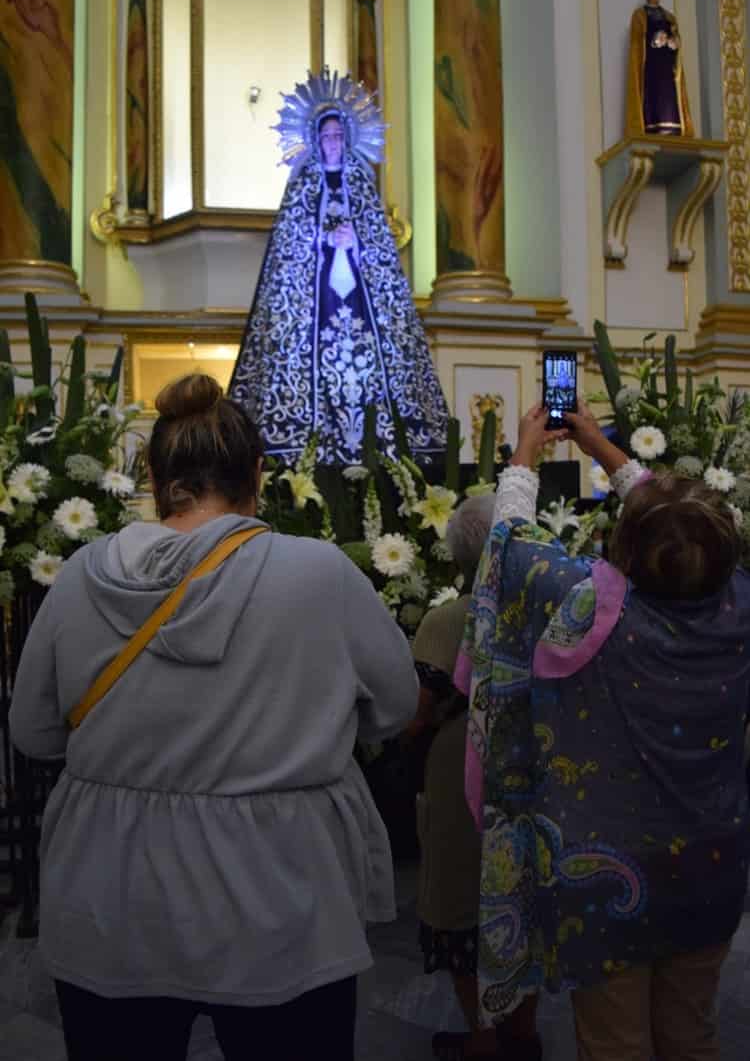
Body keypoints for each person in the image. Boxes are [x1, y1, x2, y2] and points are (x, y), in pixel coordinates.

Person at [9, 373, 418, 1061]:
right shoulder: (318, 573)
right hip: (280, 896)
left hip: (112, 892)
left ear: (153, 472)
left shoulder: (80, 575)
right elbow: (396, 708)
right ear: (258, 471)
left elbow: (34, 732)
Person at [457, 401, 750, 1061]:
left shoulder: (592, 607)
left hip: (606, 882)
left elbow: (508, 547)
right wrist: (601, 445)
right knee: (692, 1032)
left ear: (626, 549)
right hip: (711, 864)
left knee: (614, 1044)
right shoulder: (739, 601)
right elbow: (680, 533)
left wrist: (526, 454)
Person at [229, 69, 449, 464]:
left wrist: (357, 244)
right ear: (316, 140)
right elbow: (289, 254)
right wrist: (325, 242)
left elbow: (382, 254)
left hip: (360, 302)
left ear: (347, 139)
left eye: (338, 136)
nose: (333, 143)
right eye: (326, 137)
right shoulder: (301, 187)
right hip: (316, 306)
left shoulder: (362, 185)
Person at [409, 493, 541, 1061]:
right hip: (536, 761)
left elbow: (415, 713)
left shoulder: (447, 619)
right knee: (527, 896)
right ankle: (523, 1033)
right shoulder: (550, 607)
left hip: (463, 765)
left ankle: (483, 1040)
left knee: (464, 900)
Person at [625, 0, 694, 137]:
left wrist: (673, 43)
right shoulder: (640, 15)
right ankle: (651, 124)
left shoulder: (669, 17)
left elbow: (676, 38)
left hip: (666, 64)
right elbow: (637, 43)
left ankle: (673, 124)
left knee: (668, 94)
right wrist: (654, 41)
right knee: (653, 93)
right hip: (651, 65)